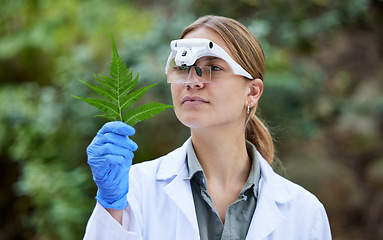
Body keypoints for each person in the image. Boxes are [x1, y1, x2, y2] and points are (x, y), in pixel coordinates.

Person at [83, 15, 332, 240]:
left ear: (252, 92)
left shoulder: (305, 213)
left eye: (213, 68)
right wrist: (112, 208)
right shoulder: (134, 191)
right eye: (182, 67)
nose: (192, 81)